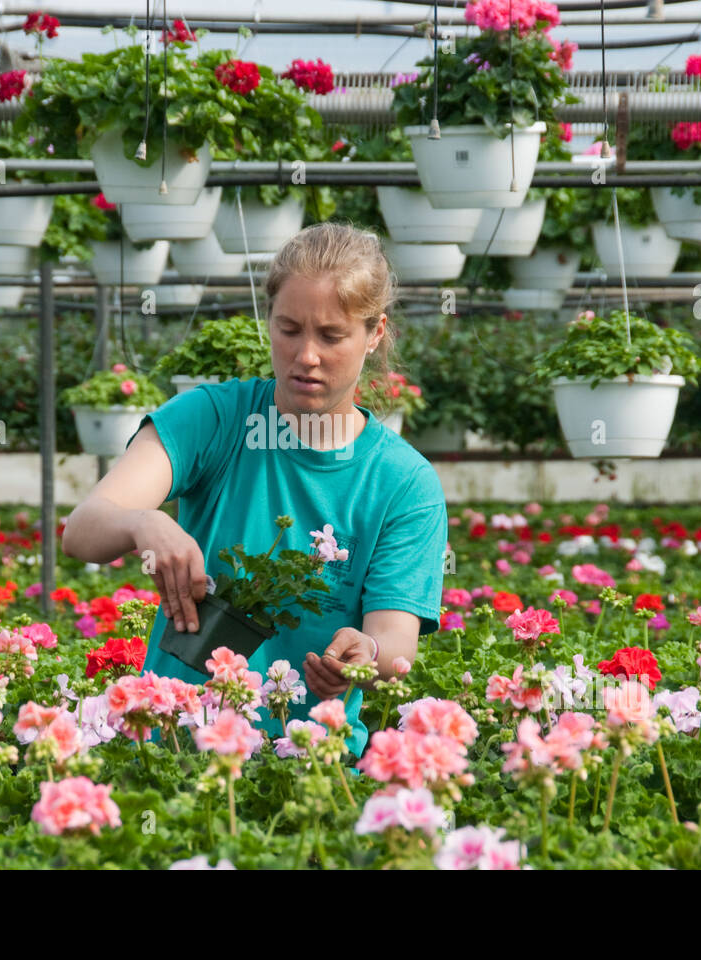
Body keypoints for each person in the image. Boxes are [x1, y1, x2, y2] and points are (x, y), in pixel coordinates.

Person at [60, 222, 448, 755]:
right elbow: (83, 531)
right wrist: (139, 521)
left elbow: (395, 641)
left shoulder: (404, 483)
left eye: (332, 336)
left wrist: (367, 654)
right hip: (173, 749)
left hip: (310, 762)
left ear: (375, 332)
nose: (306, 355)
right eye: (289, 329)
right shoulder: (212, 419)